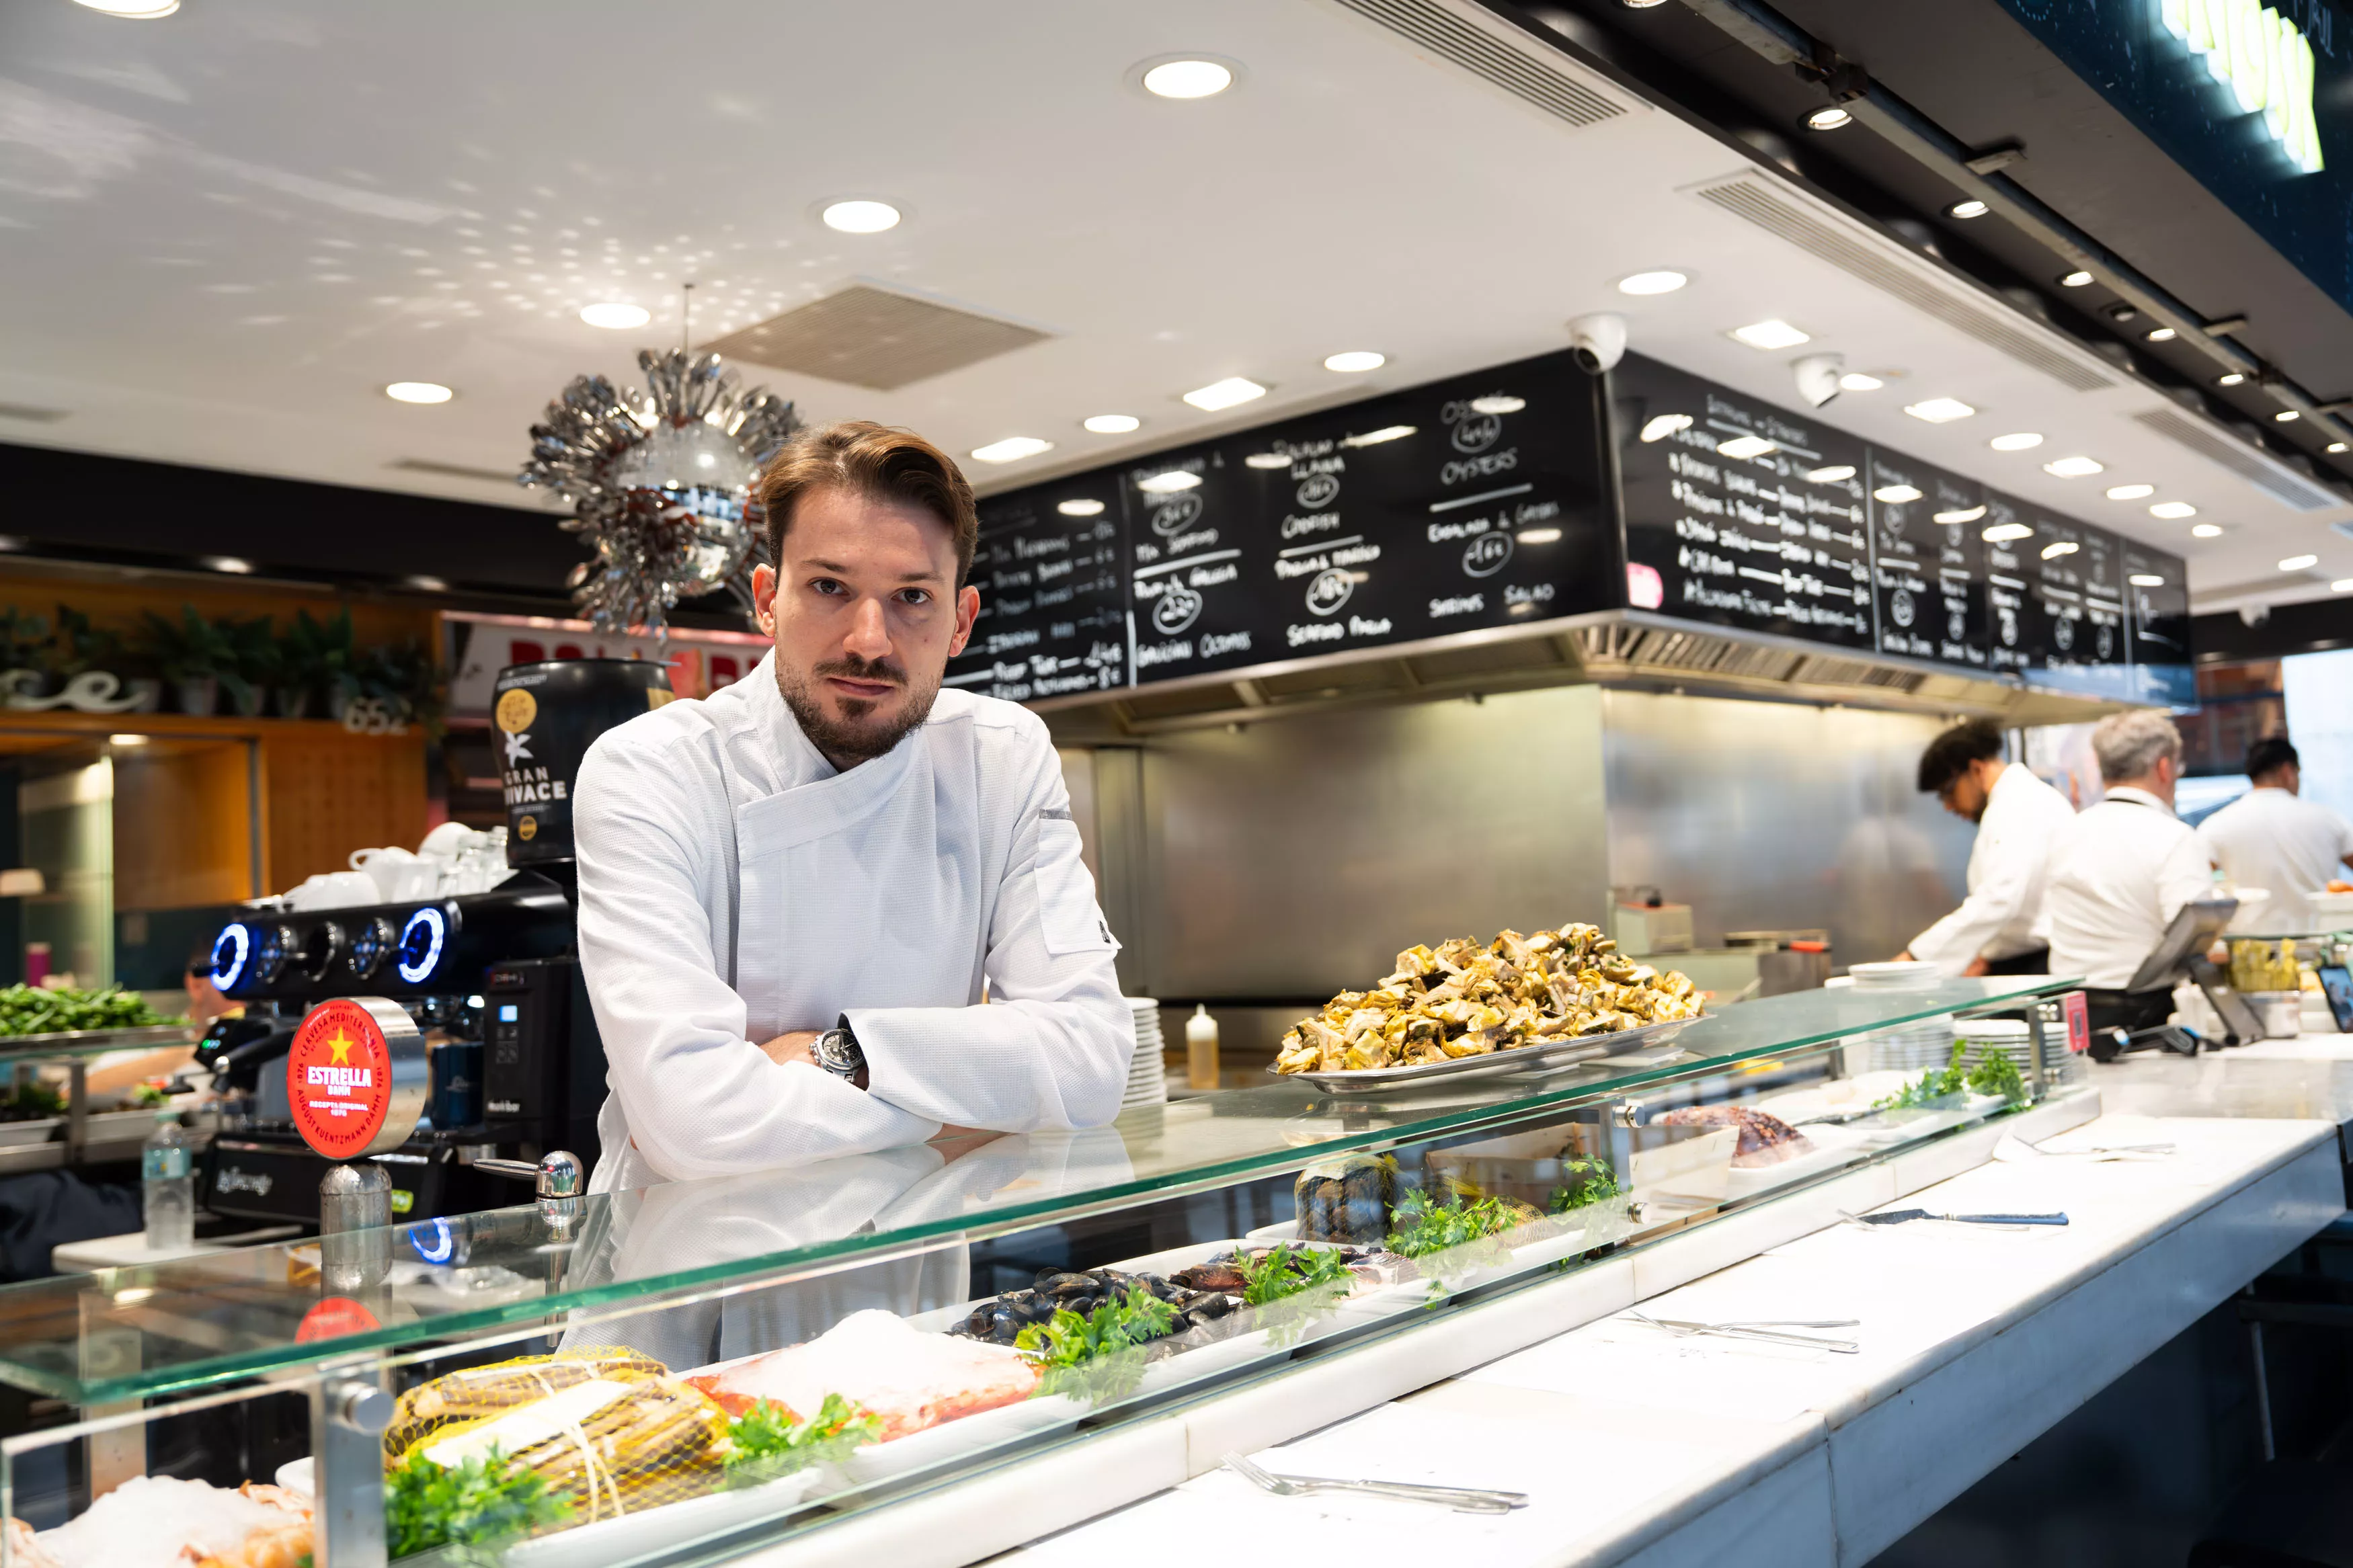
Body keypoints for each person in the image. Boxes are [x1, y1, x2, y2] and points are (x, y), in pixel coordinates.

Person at [571, 421, 1133, 1192]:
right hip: (690, 1283)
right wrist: (969, 1110)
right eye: (830, 587)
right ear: (768, 599)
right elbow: (694, 1125)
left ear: (961, 621)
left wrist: (839, 1052)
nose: (869, 641)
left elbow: (1091, 1062)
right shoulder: (651, 772)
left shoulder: (1001, 757)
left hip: (909, 1286)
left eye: (911, 597)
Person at [2044, 710, 2215, 1024]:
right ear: (2164, 768)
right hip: (2147, 1013)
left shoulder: (2064, 833)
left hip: (2070, 1013)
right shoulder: (2174, 837)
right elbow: (2194, 938)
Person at [1896, 718, 2077, 977]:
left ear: (1976, 770)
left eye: (1948, 792)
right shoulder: (2022, 799)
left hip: (2038, 965)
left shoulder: (2018, 805)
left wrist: (1916, 957)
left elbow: (1999, 897)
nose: (1948, 806)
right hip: (2030, 960)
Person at [2195, 736, 2353, 932]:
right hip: (2320, 944)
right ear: (2288, 772)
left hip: (2249, 947)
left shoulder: (2217, 824)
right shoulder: (2328, 819)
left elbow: (2195, 884)